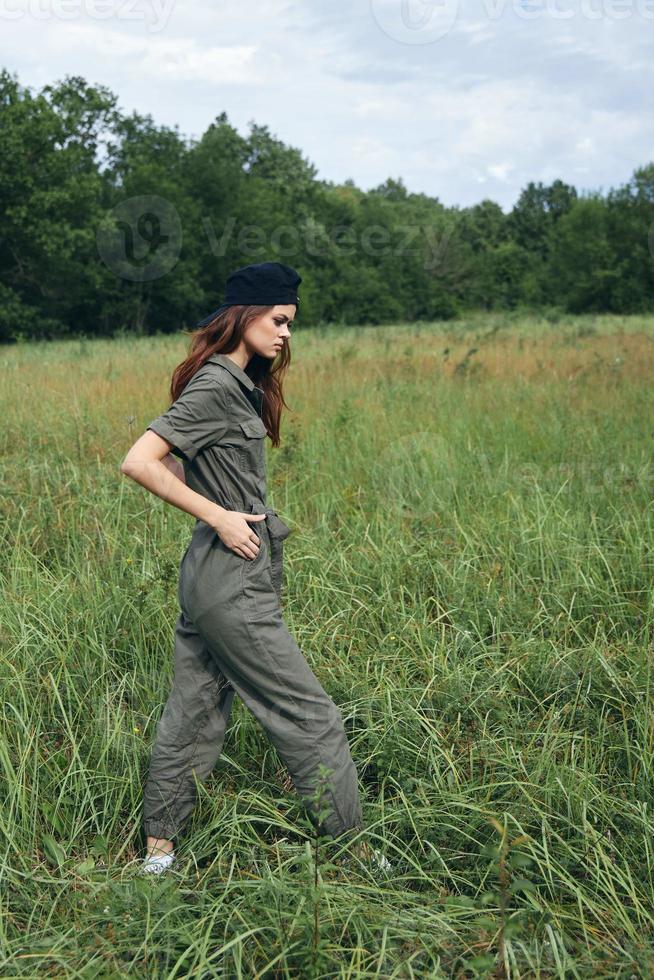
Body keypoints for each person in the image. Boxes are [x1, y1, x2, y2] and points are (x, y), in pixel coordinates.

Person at [120, 261, 387, 876]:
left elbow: (183, 463)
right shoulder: (216, 385)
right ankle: (357, 855)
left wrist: (218, 508)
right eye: (277, 319)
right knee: (310, 714)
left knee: (193, 710)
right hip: (230, 577)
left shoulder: (236, 383)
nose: (286, 333)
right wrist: (220, 514)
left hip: (213, 576)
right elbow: (140, 461)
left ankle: (157, 857)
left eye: (291, 323)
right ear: (243, 317)